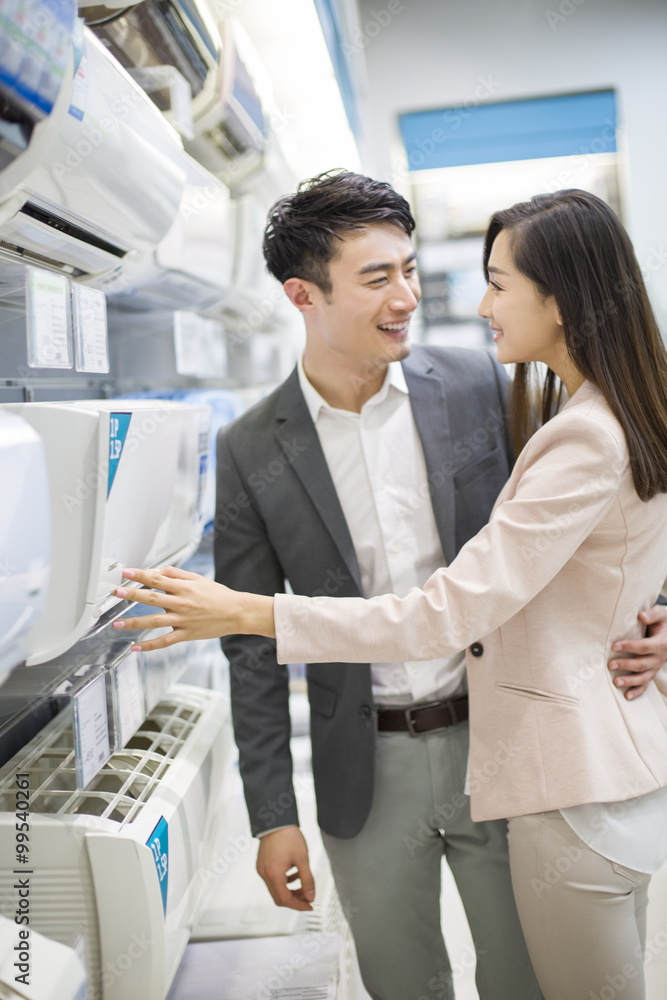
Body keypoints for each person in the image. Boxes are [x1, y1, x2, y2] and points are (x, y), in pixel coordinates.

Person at [114, 185, 667, 1000]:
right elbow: (250, 655)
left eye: (409, 269)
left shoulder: (487, 384)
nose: (407, 297)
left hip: (505, 745)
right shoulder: (248, 447)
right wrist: (273, 815)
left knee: (527, 980)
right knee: (402, 982)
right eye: (377, 278)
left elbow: (606, 517)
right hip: (364, 768)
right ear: (304, 295)